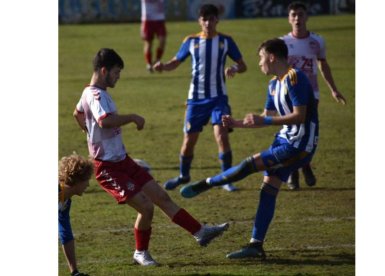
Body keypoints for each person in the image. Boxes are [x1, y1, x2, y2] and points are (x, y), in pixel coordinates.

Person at [73, 48, 229, 266]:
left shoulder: (89, 93)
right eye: (116, 72)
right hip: (108, 168)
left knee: (162, 197)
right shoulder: (96, 94)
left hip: (122, 160)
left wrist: (87, 132)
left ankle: (200, 232)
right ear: (104, 70)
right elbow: (105, 121)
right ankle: (140, 252)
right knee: (146, 207)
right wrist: (132, 118)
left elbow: (77, 113)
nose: (118, 77)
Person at [180, 38, 319, 259]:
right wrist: (236, 123)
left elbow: (299, 116)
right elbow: (266, 118)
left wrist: (264, 122)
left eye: (261, 57)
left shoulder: (295, 77)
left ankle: (208, 183)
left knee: (249, 164)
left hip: (298, 145)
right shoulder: (273, 84)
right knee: (267, 190)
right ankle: (255, 246)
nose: (260, 63)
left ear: (272, 57)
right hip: (284, 140)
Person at [153, 4, 247, 192]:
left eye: (211, 19)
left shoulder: (226, 41)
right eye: (204, 19)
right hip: (195, 100)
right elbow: (175, 62)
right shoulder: (191, 41)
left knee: (221, 136)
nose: (208, 23)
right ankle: (183, 175)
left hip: (218, 98)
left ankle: (226, 179)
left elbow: (243, 65)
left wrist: (234, 69)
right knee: (189, 140)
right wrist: (163, 66)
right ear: (199, 21)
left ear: (217, 20)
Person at [281, 1, 346, 190]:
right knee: (293, 134)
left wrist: (333, 89)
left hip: (312, 95)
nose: (297, 18)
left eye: (300, 14)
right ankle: (295, 173)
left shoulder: (317, 41)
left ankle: (304, 166)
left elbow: (322, 64)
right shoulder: (283, 43)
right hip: (290, 96)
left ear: (306, 17)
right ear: (288, 18)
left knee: (307, 133)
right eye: (293, 15)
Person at [59, 153, 94, 276]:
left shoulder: (65, 200)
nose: (88, 185)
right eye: (86, 181)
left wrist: (75, 272)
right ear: (78, 181)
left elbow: (65, 233)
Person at [140, 0, 167, 73]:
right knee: (148, 43)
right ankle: (149, 64)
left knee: (162, 40)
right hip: (148, 19)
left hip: (159, 18)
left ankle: (157, 60)